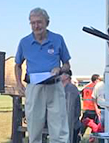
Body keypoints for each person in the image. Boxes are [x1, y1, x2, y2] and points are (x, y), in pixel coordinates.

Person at [15, 7, 71, 143]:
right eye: (32, 23)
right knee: (34, 127)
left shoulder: (57, 39)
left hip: (55, 86)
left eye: (39, 22)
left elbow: (67, 64)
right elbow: (17, 65)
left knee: (59, 127)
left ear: (47, 23)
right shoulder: (24, 42)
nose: (36, 26)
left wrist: (60, 69)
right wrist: (19, 84)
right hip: (34, 87)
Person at [61, 69, 81, 143]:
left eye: (61, 73)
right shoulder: (64, 88)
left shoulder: (70, 89)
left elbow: (69, 110)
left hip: (71, 125)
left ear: (66, 76)